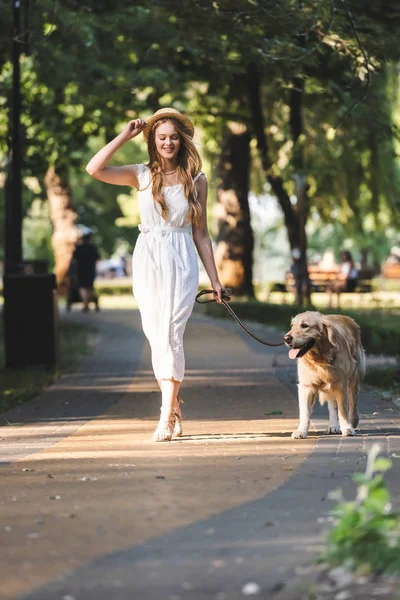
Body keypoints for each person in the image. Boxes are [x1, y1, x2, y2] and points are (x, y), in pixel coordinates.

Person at [86, 107, 223, 442]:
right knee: (155, 333)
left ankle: (164, 414)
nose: (168, 143)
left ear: (182, 140)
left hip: (181, 258)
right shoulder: (141, 175)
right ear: (153, 140)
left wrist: (216, 281)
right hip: (148, 259)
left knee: (171, 332)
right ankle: (174, 404)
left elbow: (201, 235)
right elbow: (94, 169)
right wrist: (124, 135)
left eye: (174, 137)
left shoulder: (197, 180)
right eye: (162, 137)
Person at [72, 230, 101, 312]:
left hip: (81, 270)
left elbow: (74, 259)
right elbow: (98, 259)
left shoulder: (79, 248)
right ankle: (91, 302)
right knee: (90, 287)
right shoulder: (92, 247)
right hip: (90, 269)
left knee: (83, 287)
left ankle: (85, 304)